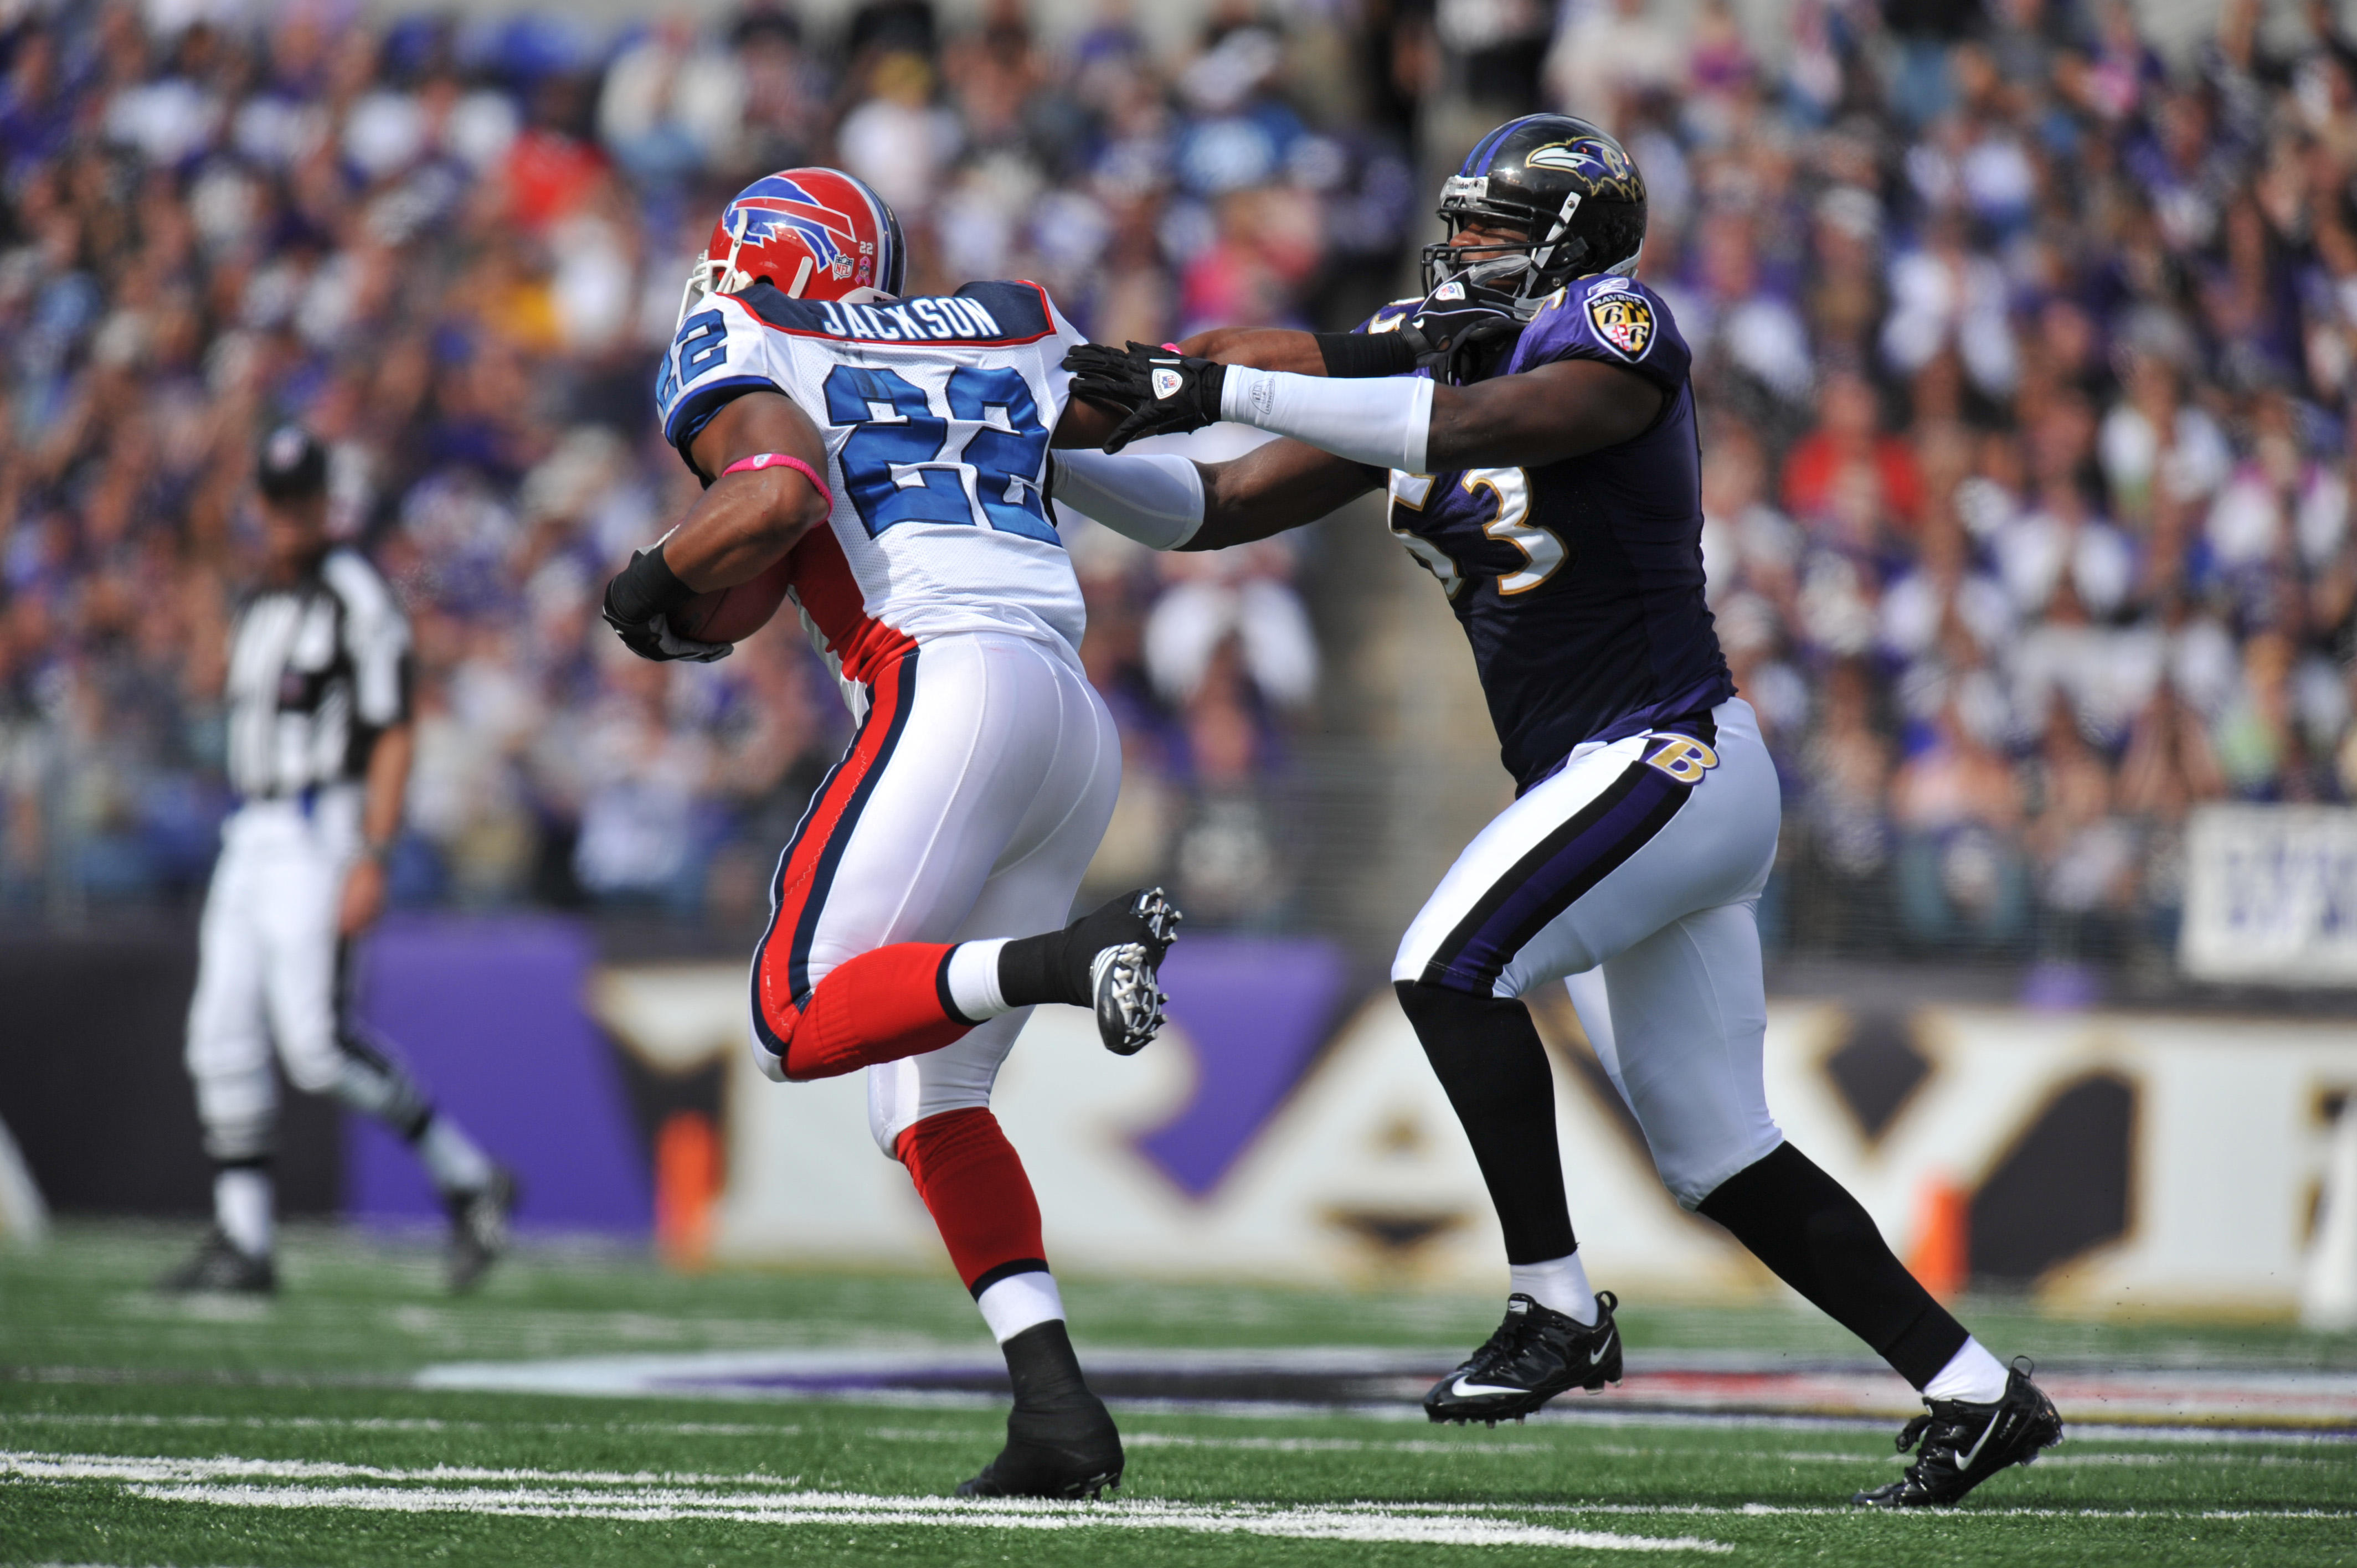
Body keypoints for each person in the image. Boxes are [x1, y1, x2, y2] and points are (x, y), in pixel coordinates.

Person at [1056, 115, 2063, 1509]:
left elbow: (1474, 425)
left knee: (1443, 966)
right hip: (1611, 785)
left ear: (1567, 245)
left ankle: (1557, 1307)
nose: (1457, 250)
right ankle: (1973, 1392)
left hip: (1669, 753)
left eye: (1488, 229)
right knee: (1720, 1154)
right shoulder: (1431, 351)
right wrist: (1046, 462)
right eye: (1455, 224)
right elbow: (1211, 511)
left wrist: (1218, 380)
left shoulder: (1608, 328)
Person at [598, 167, 1179, 1500]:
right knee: (928, 1095)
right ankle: (1054, 1410)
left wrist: (641, 586)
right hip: (1067, 716)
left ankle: (1063, 960)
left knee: (794, 1012)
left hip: (945, 681)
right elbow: (1155, 410)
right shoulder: (1006, 320)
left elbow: (775, 502)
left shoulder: (752, 336)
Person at [164, 428, 517, 1297]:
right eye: (276, 503)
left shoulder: (357, 596)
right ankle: (245, 1242)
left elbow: (395, 725)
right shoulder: (263, 599)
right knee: (219, 1035)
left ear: (327, 503)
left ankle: (469, 1178)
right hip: (249, 830)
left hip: (320, 824)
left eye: (301, 502)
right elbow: (212, 687)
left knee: (316, 1045)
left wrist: (373, 852)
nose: (288, 519)